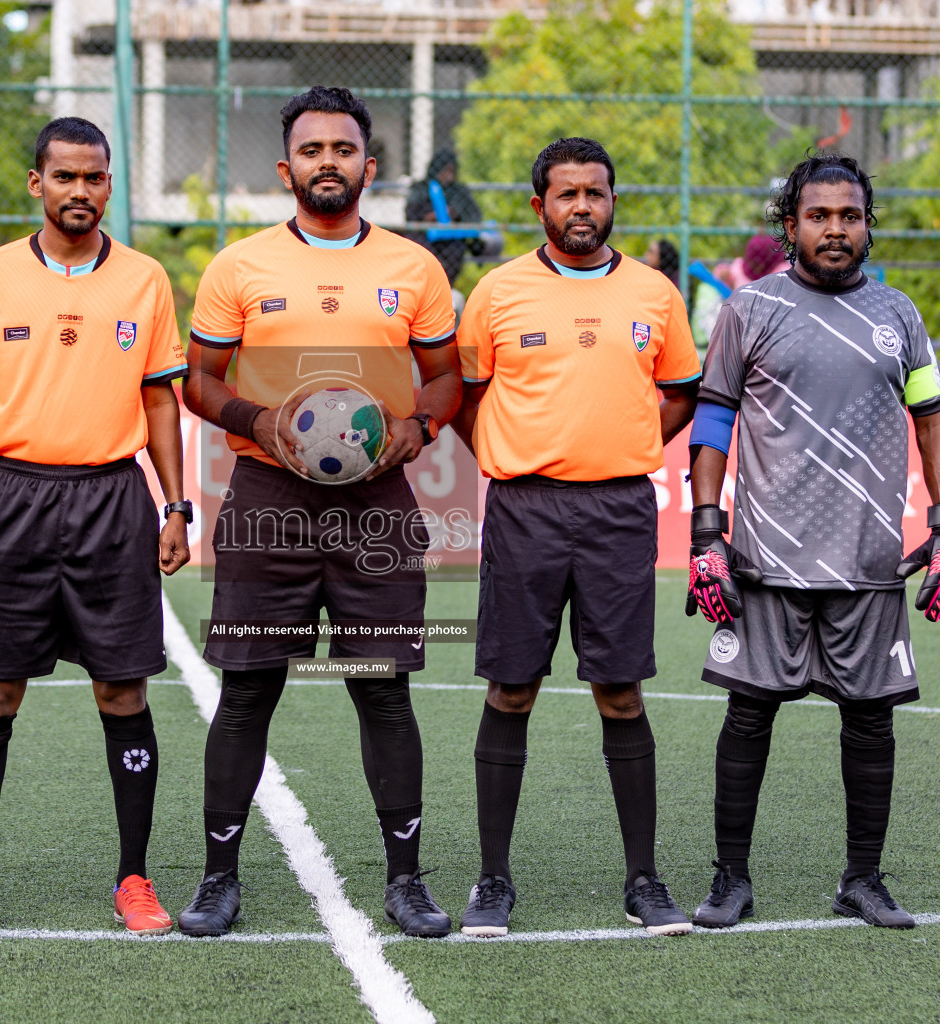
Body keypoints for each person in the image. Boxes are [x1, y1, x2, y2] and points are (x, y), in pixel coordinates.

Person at [179, 86, 462, 938]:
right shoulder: (240, 266)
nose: (327, 163)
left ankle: (407, 880)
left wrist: (416, 426)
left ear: (368, 166)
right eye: (312, 151)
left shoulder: (413, 268)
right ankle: (217, 878)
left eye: (343, 150)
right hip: (269, 496)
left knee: (383, 693)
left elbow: (447, 375)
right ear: (286, 168)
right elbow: (198, 379)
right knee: (247, 693)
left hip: (375, 502)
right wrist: (258, 420)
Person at [684, 153, 940, 931]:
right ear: (790, 225)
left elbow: (933, 418)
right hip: (765, 562)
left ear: (868, 224)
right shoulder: (751, 310)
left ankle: (863, 879)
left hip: (870, 563)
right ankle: (730, 880)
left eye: (849, 216)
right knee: (748, 716)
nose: (835, 229)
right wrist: (707, 532)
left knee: (872, 720)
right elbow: (714, 421)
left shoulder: (900, 315)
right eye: (819, 216)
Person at [0, 117, 190, 937]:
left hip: (114, 500)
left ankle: (136, 878)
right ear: (36, 183)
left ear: (109, 185)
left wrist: (176, 504)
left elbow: (160, 399)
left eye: (95, 178)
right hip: (10, 499)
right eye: (65, 177)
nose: (81, 191)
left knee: (122, 688)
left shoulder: (145, 280)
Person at [450, 137, 701, 939]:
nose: (582, 207)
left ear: (613, 201)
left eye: (596, 193)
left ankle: (644, 881)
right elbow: (465, 395)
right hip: (524, 510)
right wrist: (505, 453)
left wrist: (623, 442)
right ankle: (493, 882)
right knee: (511, 688)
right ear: (539, 206)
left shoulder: (655, 293)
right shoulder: (497, 292)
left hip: (621, 512)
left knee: (621, 691)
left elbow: (681, 390)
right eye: (567, 195)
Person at [404, 148, 483, 287]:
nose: (449, 176)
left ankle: (444, 285)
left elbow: (473, 215)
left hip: (451, 237)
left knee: (456, 248)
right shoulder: (421, 187)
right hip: (425, 235)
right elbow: (410, 214)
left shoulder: (458, 190)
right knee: (418, 246)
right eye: (445, 171)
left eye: (452, 172)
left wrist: (454, 213)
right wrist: (430, 217)